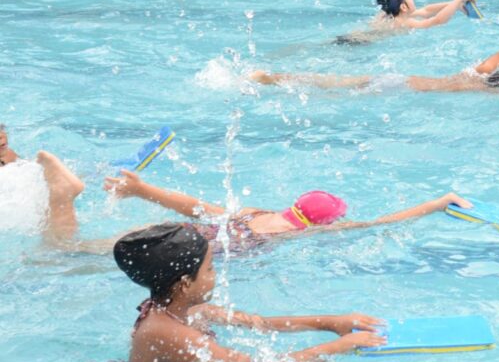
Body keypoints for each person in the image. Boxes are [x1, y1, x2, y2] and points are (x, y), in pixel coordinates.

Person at [29, 151, 472, 252]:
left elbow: (195, 206)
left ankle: (61, 197)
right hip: (195, 248)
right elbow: (382, 223)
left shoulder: (257, 212)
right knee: (63, 254)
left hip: (184, 232)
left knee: (82, 248)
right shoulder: (298, 234)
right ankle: (62, 196)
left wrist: (142, 190)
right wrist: (440, 202)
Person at [113, 222, 386, 362]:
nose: (215, 275)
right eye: (210, 269)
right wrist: (338, 347)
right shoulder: (167, 331)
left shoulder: (187, 310)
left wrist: (332, 323)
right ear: (185, 283)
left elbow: (259, 323)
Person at [250, 47, 499, 92]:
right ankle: (273, 80)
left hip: (399, 78)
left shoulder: (473, 74)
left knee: (330, 82)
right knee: (330, 91)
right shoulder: (478, 87)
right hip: (396, 88)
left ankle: (269, 77)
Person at [334, 0, 478, 44]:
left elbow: (426, 10)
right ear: (403, 7)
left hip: (355, 36)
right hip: (362, 42)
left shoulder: (388, 14)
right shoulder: (405, 22)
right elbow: (437, 20)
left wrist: (456, 6)